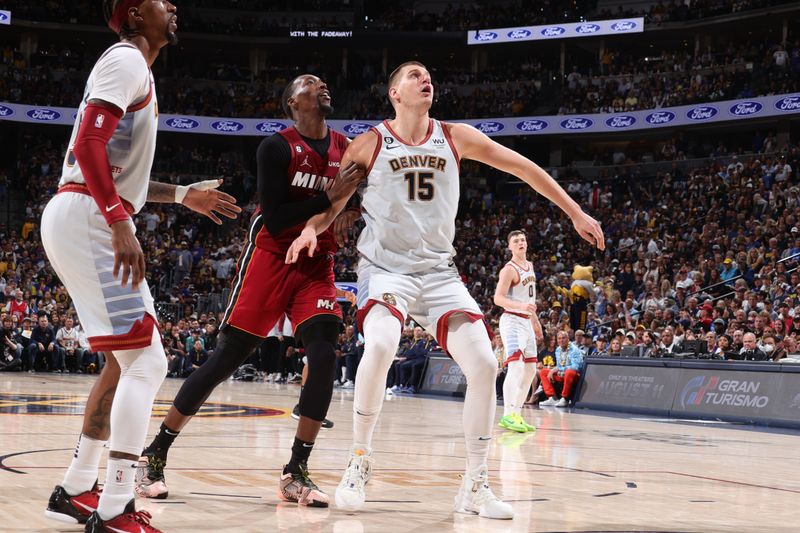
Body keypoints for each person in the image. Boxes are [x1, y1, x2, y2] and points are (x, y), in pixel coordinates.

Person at [286, 60, 604, 519]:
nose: (424, 78)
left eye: (427, 74)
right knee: (380, 343)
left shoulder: (456, 136)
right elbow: (335, 201)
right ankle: (359, 460)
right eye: (413, 75)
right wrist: (311, 229)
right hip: (387, 270)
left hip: (438, 274)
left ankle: (475, 483)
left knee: (482, 362)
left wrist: (574, 212)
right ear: (394, 93)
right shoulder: (369, 143)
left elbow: (525, 168)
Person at [42, 2, 241, 530]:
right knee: (148, 364)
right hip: (88, 215)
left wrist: (180, 195)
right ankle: (117, 507)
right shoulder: (126, 60)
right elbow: (88, 144)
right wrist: (117, 220)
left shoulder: (134, 69)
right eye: (160, 0)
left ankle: (79, 486)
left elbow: (116, 170)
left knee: (122, 362)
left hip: (79, 211)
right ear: (133, 15)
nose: (173, 6)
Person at [135, 74, 365, 508]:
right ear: (293, 102)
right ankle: (155, 454)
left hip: (317, 263)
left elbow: (347, 199)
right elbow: (277, 219)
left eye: (323, 82)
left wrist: (345, 210)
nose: (323, 86)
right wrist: (327, 198)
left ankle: (295, 471)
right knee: (226, 359)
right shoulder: (276, 147)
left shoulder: (345, 145)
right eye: (310, 84)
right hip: (271, 257)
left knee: (322, 355)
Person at [493, 230, 542, 434]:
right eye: (516, 241)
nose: (521, 242)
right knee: (516, 367)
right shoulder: (509, 270)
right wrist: (521, 308)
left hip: (526, 322)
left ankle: (517, 415)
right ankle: (507, 414)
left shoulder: (530, 266)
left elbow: (530, 302)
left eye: (523, 239)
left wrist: (536, 322)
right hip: (512, 321)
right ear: (510, 247)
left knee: (530, 370)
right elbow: (498, 298)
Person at [539, 330, 585, 407]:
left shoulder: (574, 350)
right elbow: (559, 365)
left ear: (568, 339)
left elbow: (576, 367)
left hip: (574, 376)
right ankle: (552, 398)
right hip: (561, 374)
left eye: (563, 338)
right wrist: (553, 370)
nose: (561, 340)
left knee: (569, 372)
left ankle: (565, 398)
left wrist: (560, 369)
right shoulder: (558, 350)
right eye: (559, 338)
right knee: (544, 372)